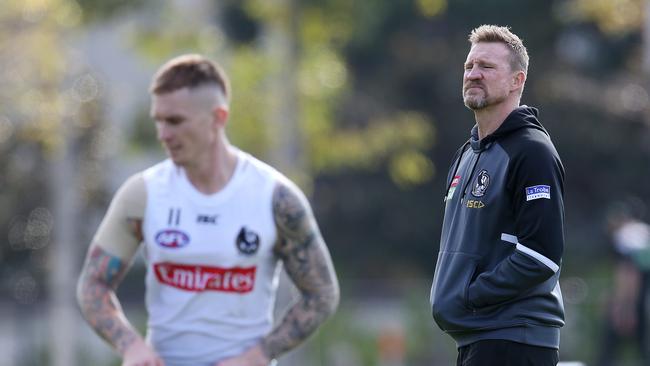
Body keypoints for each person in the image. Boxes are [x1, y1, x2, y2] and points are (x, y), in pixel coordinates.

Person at [76, 54, 340, 366]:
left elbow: (322, 294)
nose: (163, 134)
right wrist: (131, 346)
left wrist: (257, 356)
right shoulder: (143, 194)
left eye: (175, 121)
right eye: (158, 121)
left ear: (218, 118)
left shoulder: (274, 198)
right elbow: (93, 285)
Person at [429, 25, 565, 366]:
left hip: (512, 339)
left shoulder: (532, 152)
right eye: (469, 66)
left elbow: (541, 256)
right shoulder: (468, 153)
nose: (474, 74)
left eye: (487, 67)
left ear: (516, 81)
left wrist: (469, 295)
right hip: (478, 337)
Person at [597, 200, 650, 366]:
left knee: (609, 345)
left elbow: (629, 272)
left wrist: (625, 307)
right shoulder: (643, 232)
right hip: (644, 297)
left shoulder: (626, 235)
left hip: (637, 299)